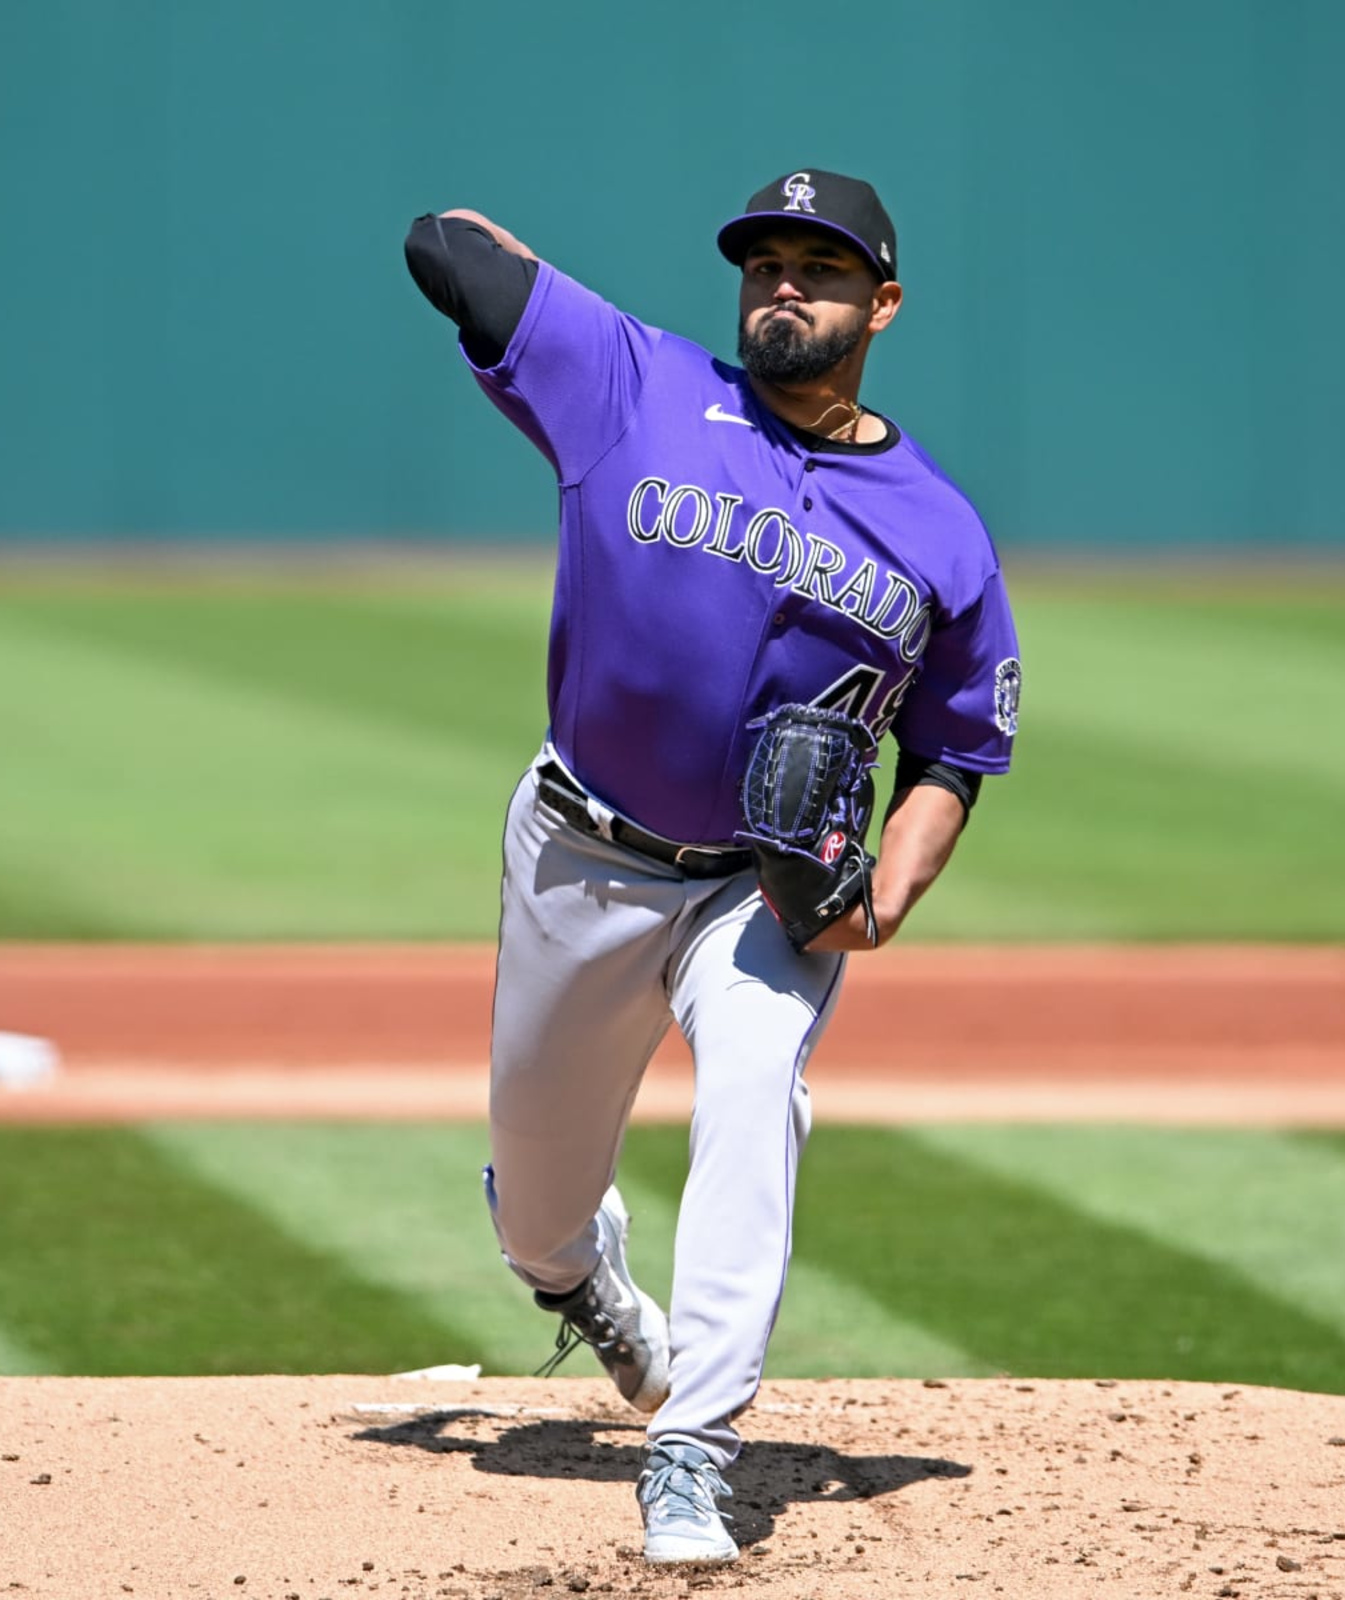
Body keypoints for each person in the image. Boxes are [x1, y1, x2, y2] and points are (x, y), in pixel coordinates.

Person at [404, 168, 1022, 1567]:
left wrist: (888, 899)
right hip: (579, 851)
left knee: (758, 1091)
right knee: (539, 1205)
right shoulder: (628, 381)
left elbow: (960, 749)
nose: (785, 285)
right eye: (765, 263)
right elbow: (446, 247)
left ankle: (695, 1444)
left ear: (885, 303)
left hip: (762, 889)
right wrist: (529, 283)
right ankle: (584, 1279)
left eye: (822, 266)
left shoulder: (940, 529)